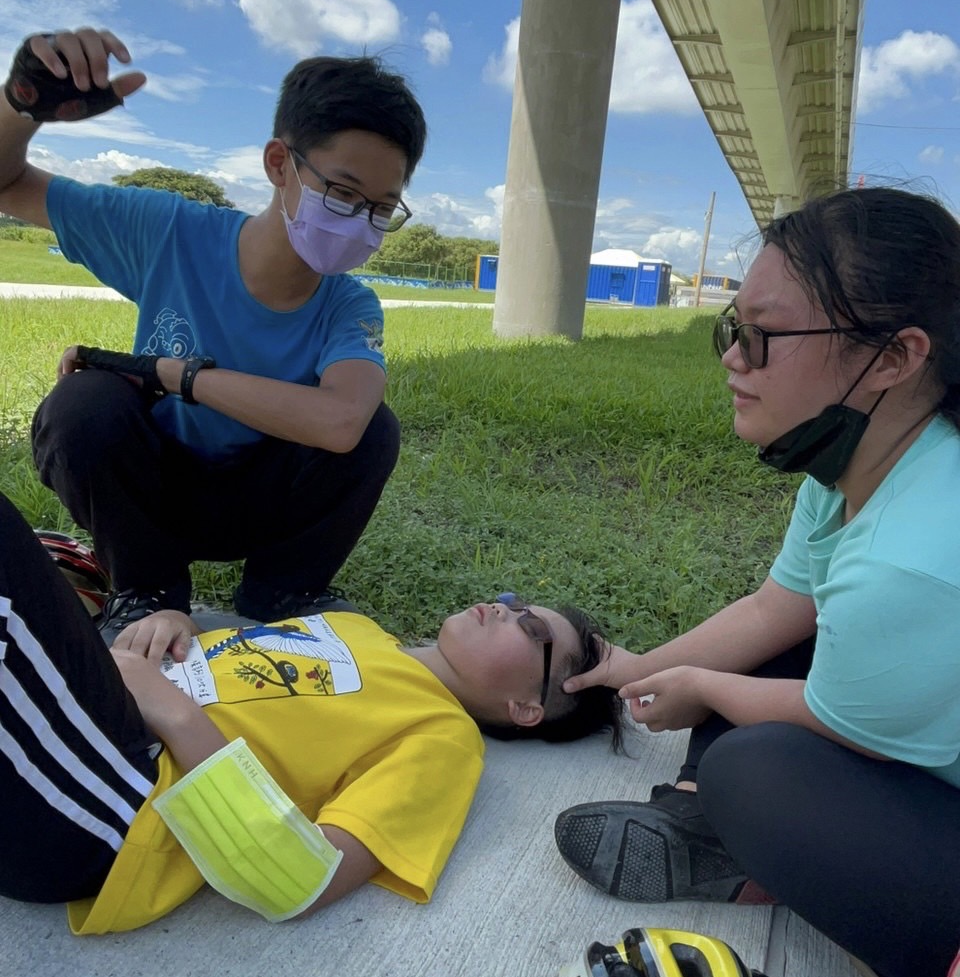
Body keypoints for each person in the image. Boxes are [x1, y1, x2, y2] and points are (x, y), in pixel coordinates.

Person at [552, 187, 960, 977]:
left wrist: (703, 685)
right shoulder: (859, 456)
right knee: (763, 661)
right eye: (733, 329)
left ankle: (733, 834)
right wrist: (638, 668)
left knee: (749, 767)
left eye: (765, 335)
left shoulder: (911, 557)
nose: (734, 358)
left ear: (894, 357)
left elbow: (834, 717)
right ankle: (729, 835)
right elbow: (780, 606)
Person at [0, 489, 623, 934]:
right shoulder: (353, 627)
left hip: (120, 799)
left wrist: (174, 712)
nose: (507, 607)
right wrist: (174, 623)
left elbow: (302, 881)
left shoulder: (443, 740)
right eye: (519, 601)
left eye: (533, 629)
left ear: (526, 709)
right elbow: (238, 674)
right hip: (88, 723)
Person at [0, 28, 426, 630]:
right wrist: (21, 106)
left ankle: (283, 595)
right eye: (343, 192)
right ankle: (147, 593)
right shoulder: (167, 230)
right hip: (150, 492)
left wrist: (172, 374)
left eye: (382, 208)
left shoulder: (349, 305)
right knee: (84, 405)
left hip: (258, 503)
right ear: (280, 163)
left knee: (373, 430)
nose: (360, 221)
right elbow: (7, 185)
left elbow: (342, 421)